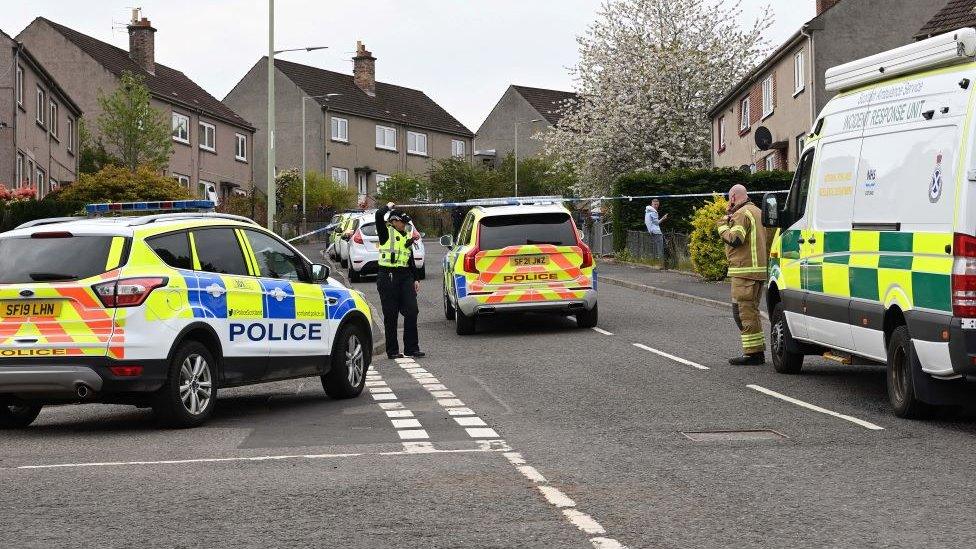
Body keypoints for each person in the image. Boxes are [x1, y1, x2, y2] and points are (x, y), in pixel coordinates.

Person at [717, 184, 769, 365]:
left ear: (732, 198)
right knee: (751, 312)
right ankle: (756, 350)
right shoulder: (757, 211)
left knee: (742, 312)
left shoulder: (740, 214)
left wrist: (722, 225)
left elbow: (735, 239)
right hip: (757, 271)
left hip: (744, 271)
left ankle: (753, 354)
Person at [375, 202, 425, 359]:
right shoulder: (385, 233)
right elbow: (378, 215)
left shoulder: (406, 235)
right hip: (387, 276)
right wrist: (387, 207)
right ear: (394, 221)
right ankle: (393, 351)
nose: (405, 225)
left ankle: (411, 348)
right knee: (391, 315)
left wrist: (416, 278)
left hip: (405, 276)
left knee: (412, 310)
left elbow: (409, 258)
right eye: (402, 222)